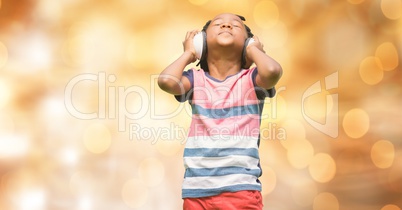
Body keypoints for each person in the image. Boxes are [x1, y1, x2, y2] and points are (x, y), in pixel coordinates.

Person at [158, 13, 282, 210]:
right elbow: (166, 81)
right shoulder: (195, 80)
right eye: (218, 24)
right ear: (202, 43)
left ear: (247, 44)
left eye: (236, 26)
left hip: (240, 190)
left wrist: (255, 50)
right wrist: (189, 53)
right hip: (196, 190)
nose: (226, 25)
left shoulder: (252, 80)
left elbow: (272, 71)